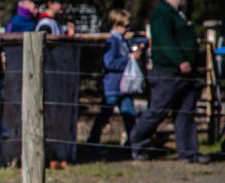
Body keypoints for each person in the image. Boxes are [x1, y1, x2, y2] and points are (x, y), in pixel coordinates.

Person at [129, 0, 209, 163]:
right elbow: (165, 41)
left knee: (185, 113)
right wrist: (179, 60)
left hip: (185, 73)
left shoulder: (177, 13)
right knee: (158, 110)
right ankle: (137, 143)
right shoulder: (162, 13)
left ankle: (188, 152)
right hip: (167, 72)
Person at [87, 9, 141, 145]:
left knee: (129, 115)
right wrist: (128, 59)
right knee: (105, 115)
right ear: (116, 25)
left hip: (125, 86)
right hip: (113, 85)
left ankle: (133, 143)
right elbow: (110, 63)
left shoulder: (124, 42)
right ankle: (92, 141)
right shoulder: (112, 42)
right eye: (125, 26)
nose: (127, 29)